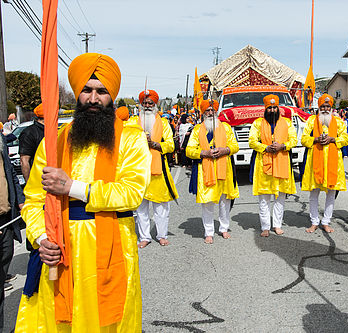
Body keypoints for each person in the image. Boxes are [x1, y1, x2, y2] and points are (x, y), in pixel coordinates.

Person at [15, 53, 151, 332]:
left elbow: (131, 193)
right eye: (86, 90)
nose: (93, 98)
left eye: (101, 91)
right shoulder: (54, 142)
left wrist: (72, 188)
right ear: (77, 94)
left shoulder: (131, 137)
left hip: (112, 248)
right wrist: (42, 239)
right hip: (61, 251)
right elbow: (33, 201)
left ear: (111, 96)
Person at [186, 100, 239, 244]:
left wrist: (225, 150)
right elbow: (189, 150)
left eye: (212, 110)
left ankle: (224, 228)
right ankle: (208, 232)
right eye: (207, 111)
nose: (210, 113)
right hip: (205, 170)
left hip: (224, 170)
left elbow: (235, 146)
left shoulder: (226, 127)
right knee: (208, 203)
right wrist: (204, 153)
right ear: (203, 113)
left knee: (224, 201)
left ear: (216, 112)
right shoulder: (197, 129)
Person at [131, 89, 178, 248]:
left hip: (158, 171)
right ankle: (144, 237)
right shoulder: (133, 122)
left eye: (150, 103)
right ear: (140, 105)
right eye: (144, 103)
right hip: (138, 171)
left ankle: (162, 235)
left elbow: (171, 146)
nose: (147, 105)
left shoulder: (164, 123)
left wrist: (155, 145)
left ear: (155, 105)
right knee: (141, 208)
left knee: (161, 208)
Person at [249, 94, 297, 237]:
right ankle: (265, 226)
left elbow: (294, 140)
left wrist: (283, 145)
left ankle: (277, 225)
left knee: (280, 198)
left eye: (274, 107)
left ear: (278, 108)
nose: (272, 110)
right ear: (265, 109)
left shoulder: (287, 122)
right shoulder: (258, 123)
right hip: (264, 164)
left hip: (282, 162)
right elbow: (252, 141)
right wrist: (265, 148)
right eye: (269, 108)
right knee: (264, 199)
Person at [300, 94, 348, 233]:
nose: (326, 109)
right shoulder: (311, 121)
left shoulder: (338, 121)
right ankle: (314, 221)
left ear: (331, 107)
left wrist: (333, 139)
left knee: (331, 193)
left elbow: (345, 139)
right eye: (323, 106)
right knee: (314, 193)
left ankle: (326, 221)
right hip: (315, 161)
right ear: (319, 107)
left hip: (333, 163)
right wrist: (315, 139)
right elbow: (303, 139)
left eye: (328, 106)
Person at [0, 132, 24, 330]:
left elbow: (10, 175)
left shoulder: (1, 142)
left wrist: (20, 200)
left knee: (6, 259)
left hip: (6, 219)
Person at [19, 104, 45, 183]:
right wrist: (29, 183)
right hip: (38, 181)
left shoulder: (53, 131)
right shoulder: (29, 133)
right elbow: (24, 161)